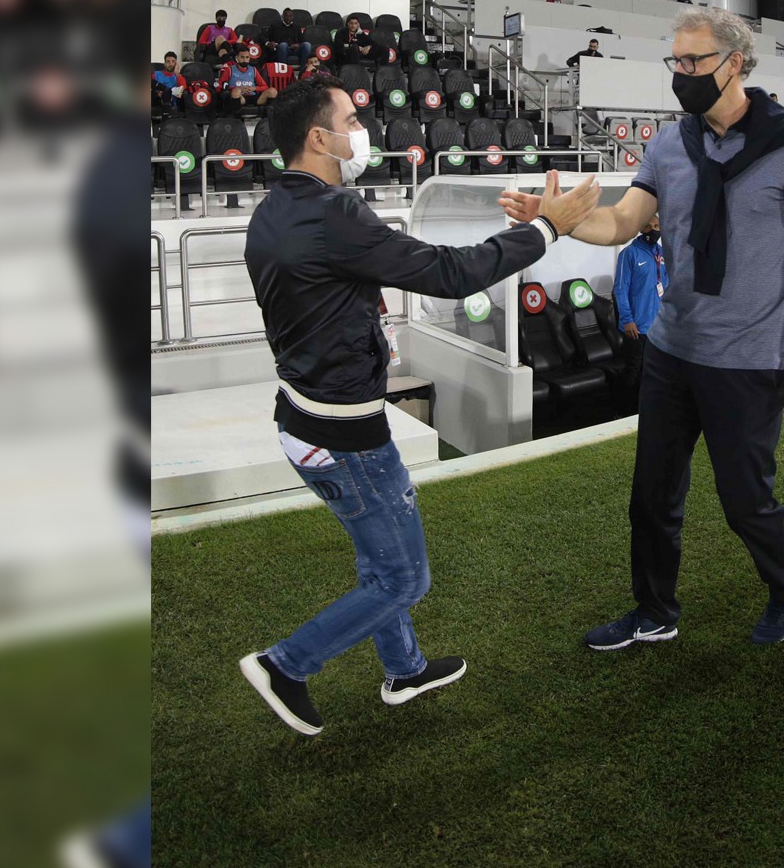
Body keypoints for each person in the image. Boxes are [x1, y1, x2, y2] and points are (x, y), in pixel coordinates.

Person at [239, 78, 602, 736]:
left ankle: (405, 669)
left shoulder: (275, 211)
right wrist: (549, 229)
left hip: (300, 423)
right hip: (346, 438)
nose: (363, 128)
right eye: (351, 118)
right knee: (403, 580)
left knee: (380, 561)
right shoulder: (332, 214)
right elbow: (450, 272)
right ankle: (286, 664)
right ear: (319, 137)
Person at [499, 6, 784, 651]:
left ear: (735, 63)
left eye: (694, 62)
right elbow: (622, 223)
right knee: (652, 499)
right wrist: (560, 221)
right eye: (676, 62)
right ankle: (655, 611)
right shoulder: (669, 142)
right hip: (671, 350)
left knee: (747, 503)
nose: (682, 74)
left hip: (747, 359)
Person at [613, 215, 667, 408]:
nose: (654, 230)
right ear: (640, 228)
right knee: (633, 370)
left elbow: (667, 288)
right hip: (636, 326)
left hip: (658, 327)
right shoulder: (629, 254)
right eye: (648, 226)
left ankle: (645, 410)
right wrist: (627, 319)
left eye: (657, 226)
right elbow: (620, 289)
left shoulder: (662, 253)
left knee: (653, 371)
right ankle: (622, 411)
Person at [216, 43, 277, 112]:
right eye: (242, 57)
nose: (245, 60)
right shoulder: (230, 69)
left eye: (247, 57)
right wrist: (239, 89)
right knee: (236, 92)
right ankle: (235, 119)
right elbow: (221, 86)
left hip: (253, 95)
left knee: (272, 91)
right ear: (237, 58)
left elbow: (264, 86)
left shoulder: (253, 69)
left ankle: (267, 118)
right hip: (240, 97)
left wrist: (254, 88)